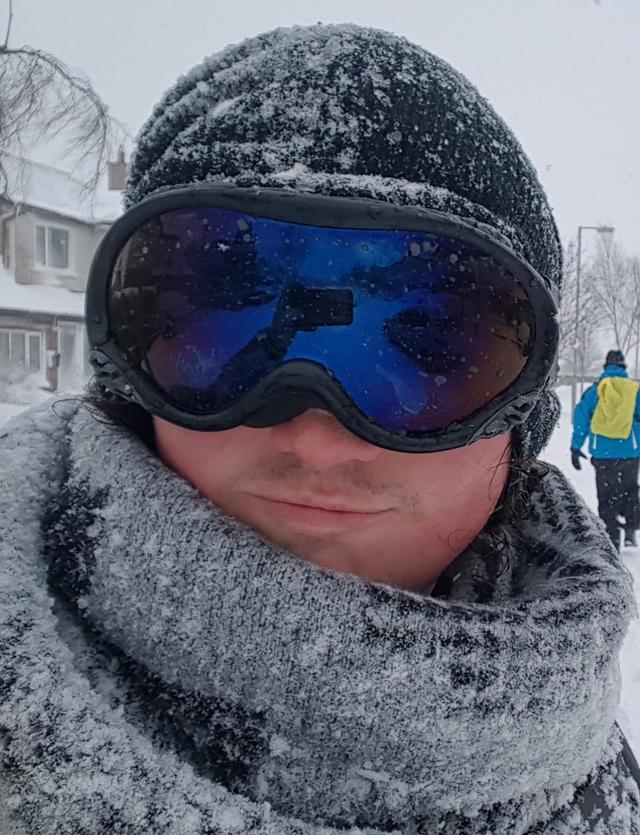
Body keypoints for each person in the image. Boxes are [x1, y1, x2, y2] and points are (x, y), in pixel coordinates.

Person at [1, 24, 639, 835]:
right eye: (226, 315)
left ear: (518, 418)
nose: (317, 437)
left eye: (432, 343)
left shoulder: (583, 759)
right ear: (133, 367)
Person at [571, 349, 640, 550]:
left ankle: (611, 537)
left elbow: (581, 420)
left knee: (607, 492)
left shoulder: (595, 391)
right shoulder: (634, 391)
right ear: (623, 367)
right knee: (629, 489)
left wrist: (576, 447)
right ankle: (630, 531)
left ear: (606, 367)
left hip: (603, 453)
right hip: (631, 451)